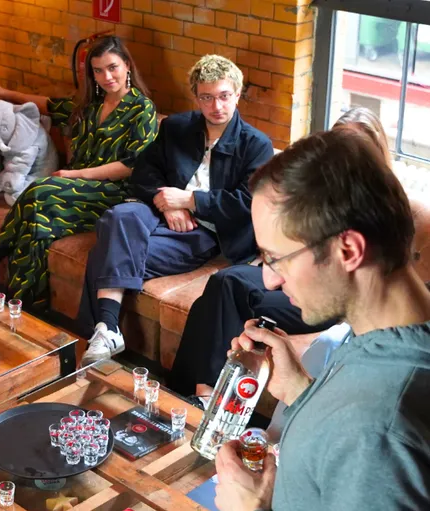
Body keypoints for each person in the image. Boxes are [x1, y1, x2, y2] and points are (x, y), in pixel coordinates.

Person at [213, 128, 430, 511]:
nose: (270, 279)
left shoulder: (376, 433)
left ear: (348, 249)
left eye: (276, 258)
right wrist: (300, 392)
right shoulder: (383, 334)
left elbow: (370, 439)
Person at [167, 107, 388, 398]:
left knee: (229, 287)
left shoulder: (381, 202)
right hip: (296, 276)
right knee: (218, 290)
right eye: (339, 144)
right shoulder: (320, 191)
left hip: (329, 297)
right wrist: (275, 258)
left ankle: (202, 395)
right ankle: (186, 394)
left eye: (355, 146)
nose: (346, 156)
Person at [80, 55, 274, 364]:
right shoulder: (177, 127)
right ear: (196, 97)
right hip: (159, 212)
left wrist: (189, 202)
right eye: (207, 98)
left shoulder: (256, 145)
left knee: (103, 250)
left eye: (224, 96)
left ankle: (106, 328)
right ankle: (109, 331)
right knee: (119, 216)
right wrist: (168, 205)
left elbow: (247, 202)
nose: (217, 106)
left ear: (237, 94)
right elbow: (144, 171)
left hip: (204, 230)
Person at [0, 36, 159, 311]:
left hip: (115, 193)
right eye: (98, 70)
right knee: (38, 223)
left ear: (127, 65)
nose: (107, 76)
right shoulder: (91, 103)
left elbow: (130, 166)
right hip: (73, 188)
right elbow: (49, 104)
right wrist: (5, 94)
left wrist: (75, 175)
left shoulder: (143, 109)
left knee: (39, 191)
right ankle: (24, 305)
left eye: (113, 67)